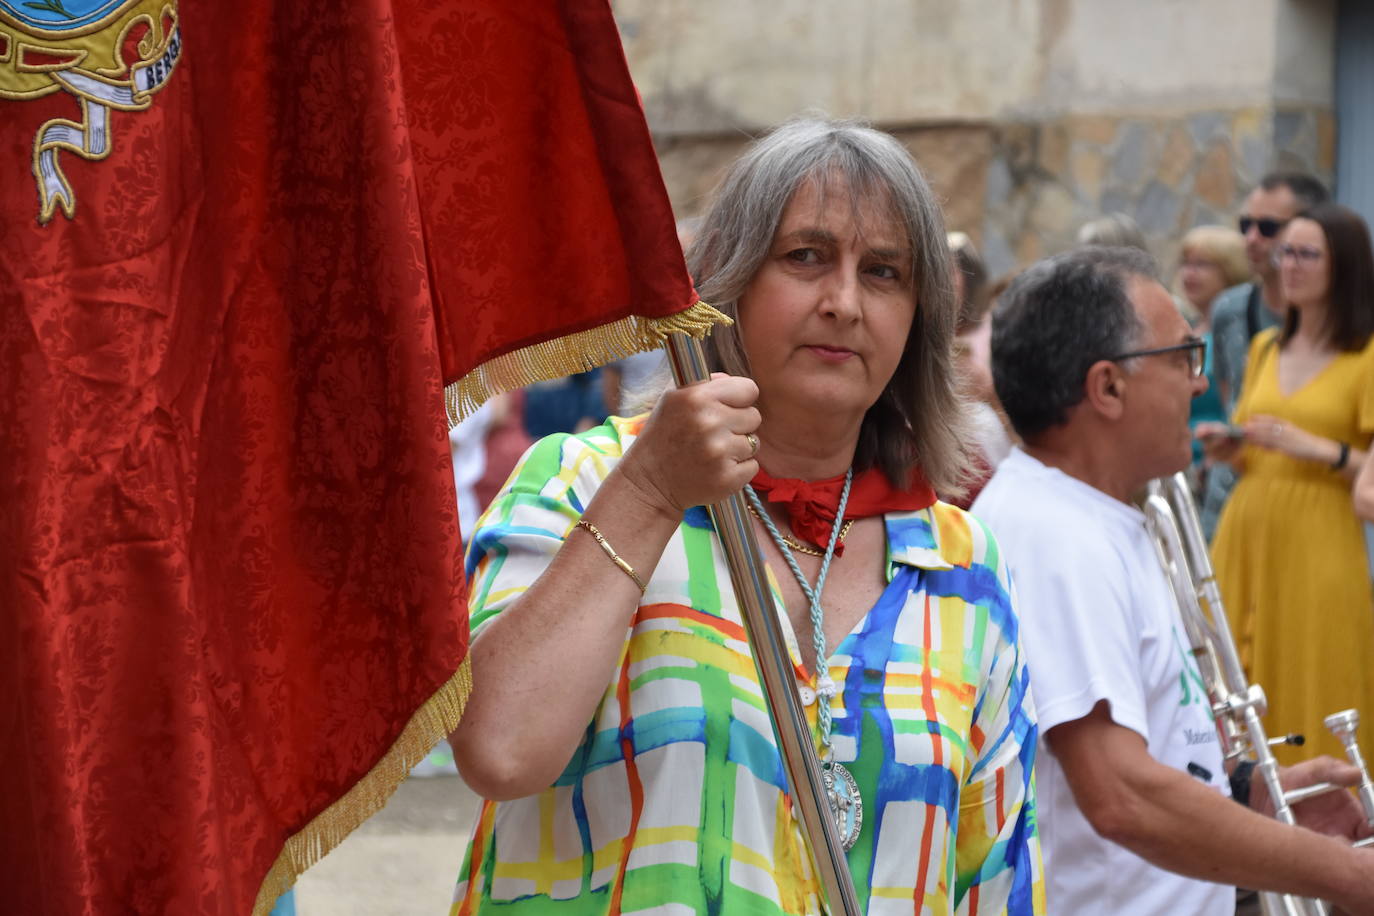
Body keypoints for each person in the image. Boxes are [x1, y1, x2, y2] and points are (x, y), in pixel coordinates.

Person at [448, 117, 1043, 914]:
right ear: (728, 284)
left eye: (884, 272)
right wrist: (650, 493)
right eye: (805, 256)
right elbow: (498, 747)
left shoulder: (964, 564)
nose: (843, 302)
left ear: (920, 317)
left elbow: (993, 882)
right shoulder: (582, 479)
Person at [972, 246, 1374, 914]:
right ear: (1107, 388)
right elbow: (1121, 796)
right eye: (1184, 357)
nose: (1197, 382)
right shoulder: (1054, 535)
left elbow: (1146, 762)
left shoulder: (1089, 516)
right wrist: (1347, 876)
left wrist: (1249, 793)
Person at [1198, 202, 1374, 766]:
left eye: (1305, 253)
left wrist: (1317, 448)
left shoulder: (1366, 357)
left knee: (1319, 669)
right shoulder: (1263, 348)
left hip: (1321, 537)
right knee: (1234, 681)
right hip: (1247, 530)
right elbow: (1257, 450)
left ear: (1342, 266)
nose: (1288, 265)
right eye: (1285, 252)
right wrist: (1233, 449)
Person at [1199, 172, 1330, 537]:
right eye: (1246, 225)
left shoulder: (1344, 326)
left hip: (1308, 505)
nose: (1252, 238)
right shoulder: (1229, 309)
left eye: (1269, 227)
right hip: (1229, 502)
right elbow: (1233, 401)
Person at [1173, 225, 1250, 477]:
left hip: (1215, 469)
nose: (1189, 273)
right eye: (1186, 263)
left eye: (1202, 264)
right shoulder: (1188, 329)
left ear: (1231, 271)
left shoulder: (1240, 337)